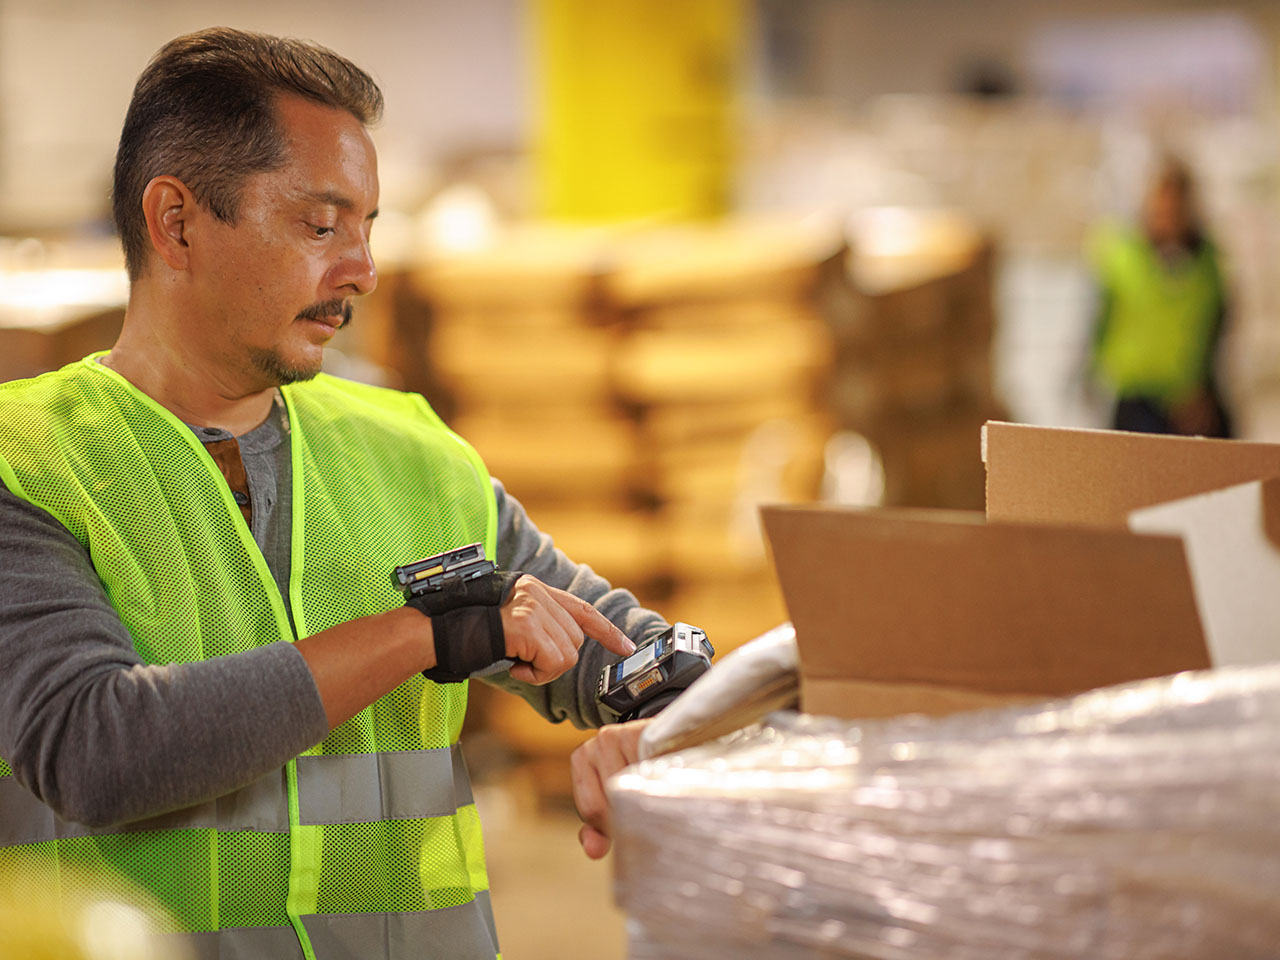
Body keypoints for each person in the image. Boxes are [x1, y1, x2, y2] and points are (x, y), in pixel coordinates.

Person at [0, 28, 657, 960]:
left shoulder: (410, 456)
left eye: (368, 227)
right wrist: (421, 633)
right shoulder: (27, 463)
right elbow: (94, 746)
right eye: (320, 225)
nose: (363, 269)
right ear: (176, 221)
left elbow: (631, 656)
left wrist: (659, 725)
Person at [1088, 157, 1233, 438]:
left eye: (1175, 210)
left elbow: (1214, 329)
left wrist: (1199, 390)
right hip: (1132, 395)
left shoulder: (1207, 264)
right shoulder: (1120, 255)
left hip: (1185, 399)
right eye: (1160, 209)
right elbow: (1096, 322)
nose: (1166, 218)